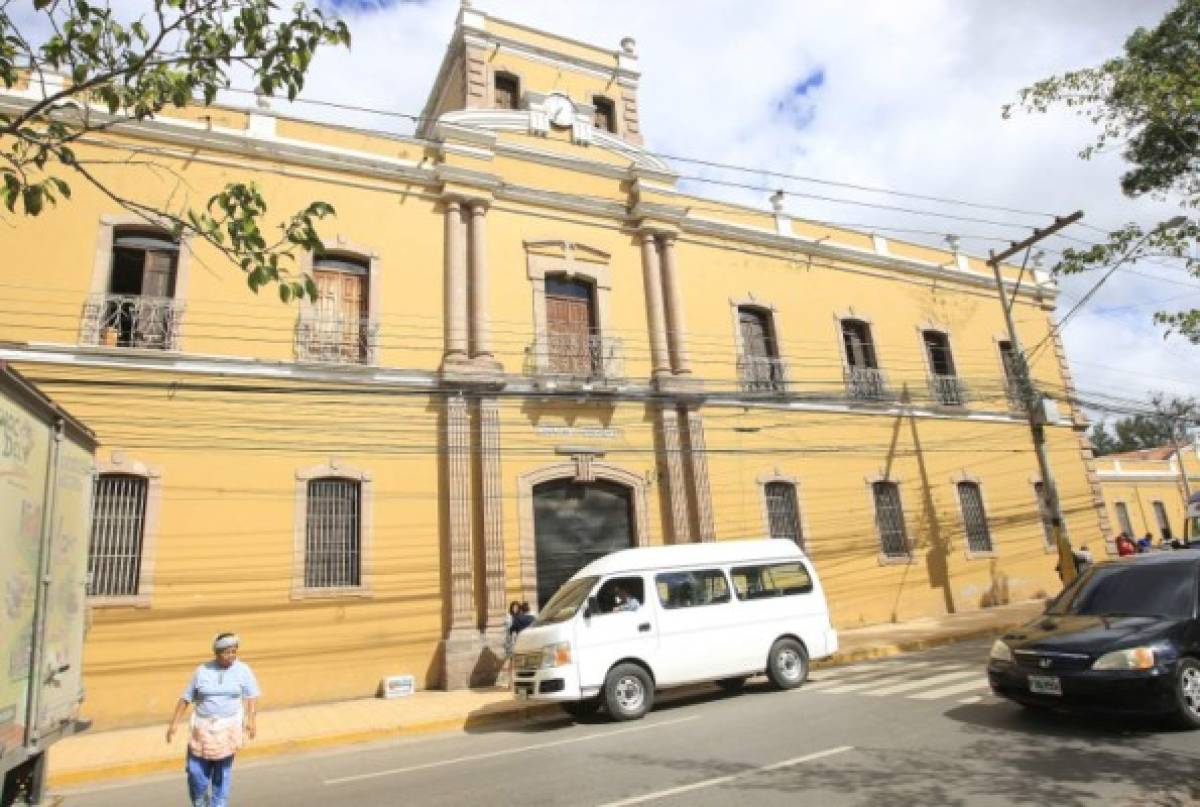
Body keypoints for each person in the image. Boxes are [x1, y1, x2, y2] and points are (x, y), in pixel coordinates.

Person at [166, 633, 260, 807]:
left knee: (222, 774)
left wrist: (251, 720)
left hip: (228, 728)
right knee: (195, 771)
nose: (232, 655)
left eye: (234, 651)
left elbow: (252, 696)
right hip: (202, 729)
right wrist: (174, 724)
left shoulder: (243, 670)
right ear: (217, 652)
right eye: (227, 652)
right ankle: (201, 802)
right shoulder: (202, 671)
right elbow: (186, 698)